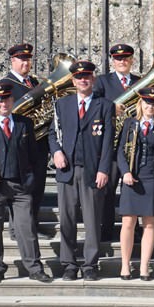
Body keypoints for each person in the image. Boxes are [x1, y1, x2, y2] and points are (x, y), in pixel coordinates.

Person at [0, 82, 52, 283]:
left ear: (12, 100)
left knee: (27, 228)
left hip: (20, 185)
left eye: (6, 99)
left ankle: (34, 267)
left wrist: (30, 179)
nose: (3, 103)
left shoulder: (24, 123)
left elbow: (34, 154)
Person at [48, 60, 115, 281]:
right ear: (73, 81)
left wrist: (104, 169)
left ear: (93, 79)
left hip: (92, 170)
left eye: (87, 76)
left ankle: (90, 264)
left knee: (92, 220)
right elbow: (52, 134)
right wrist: (56, 152)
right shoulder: (62, 104)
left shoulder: (105, 105)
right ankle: (68, 264)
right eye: (78, 77)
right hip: (67, 171)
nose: (83, 80)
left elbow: (108, 141)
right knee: (67, 219)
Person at [117, 87, 154, 281]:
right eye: (147, 102)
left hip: (151, 178)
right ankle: (125, 264)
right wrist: (125, 172)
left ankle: (144, 266)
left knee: (149, 223)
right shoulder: (130, 124)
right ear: (141, 104)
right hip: (132, 178)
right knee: (128, 222)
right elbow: (121, 151)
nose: (151, 106)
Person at [0, 43, 49, 241]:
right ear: (13, 60)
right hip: (18, 145)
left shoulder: (35, 82)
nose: (26, 63)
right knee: (20, 189)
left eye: (28, 59)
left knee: (37, 187)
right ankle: (16, 229)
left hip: (38, 143)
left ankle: (32, 226)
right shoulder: (6, 84)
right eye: (22, 59)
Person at [93, 43, 142, 242]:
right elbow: (94, 104)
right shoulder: (103, 81)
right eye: (118, 58)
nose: (122, 61)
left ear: (132, 60)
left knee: (134, 188)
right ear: (112, 61)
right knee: (108, 190)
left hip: (134, 145)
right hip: (112, 146)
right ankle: (106, 230)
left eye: (126, 58)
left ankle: (135, 230)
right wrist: (111, 107)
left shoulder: (141, 82)